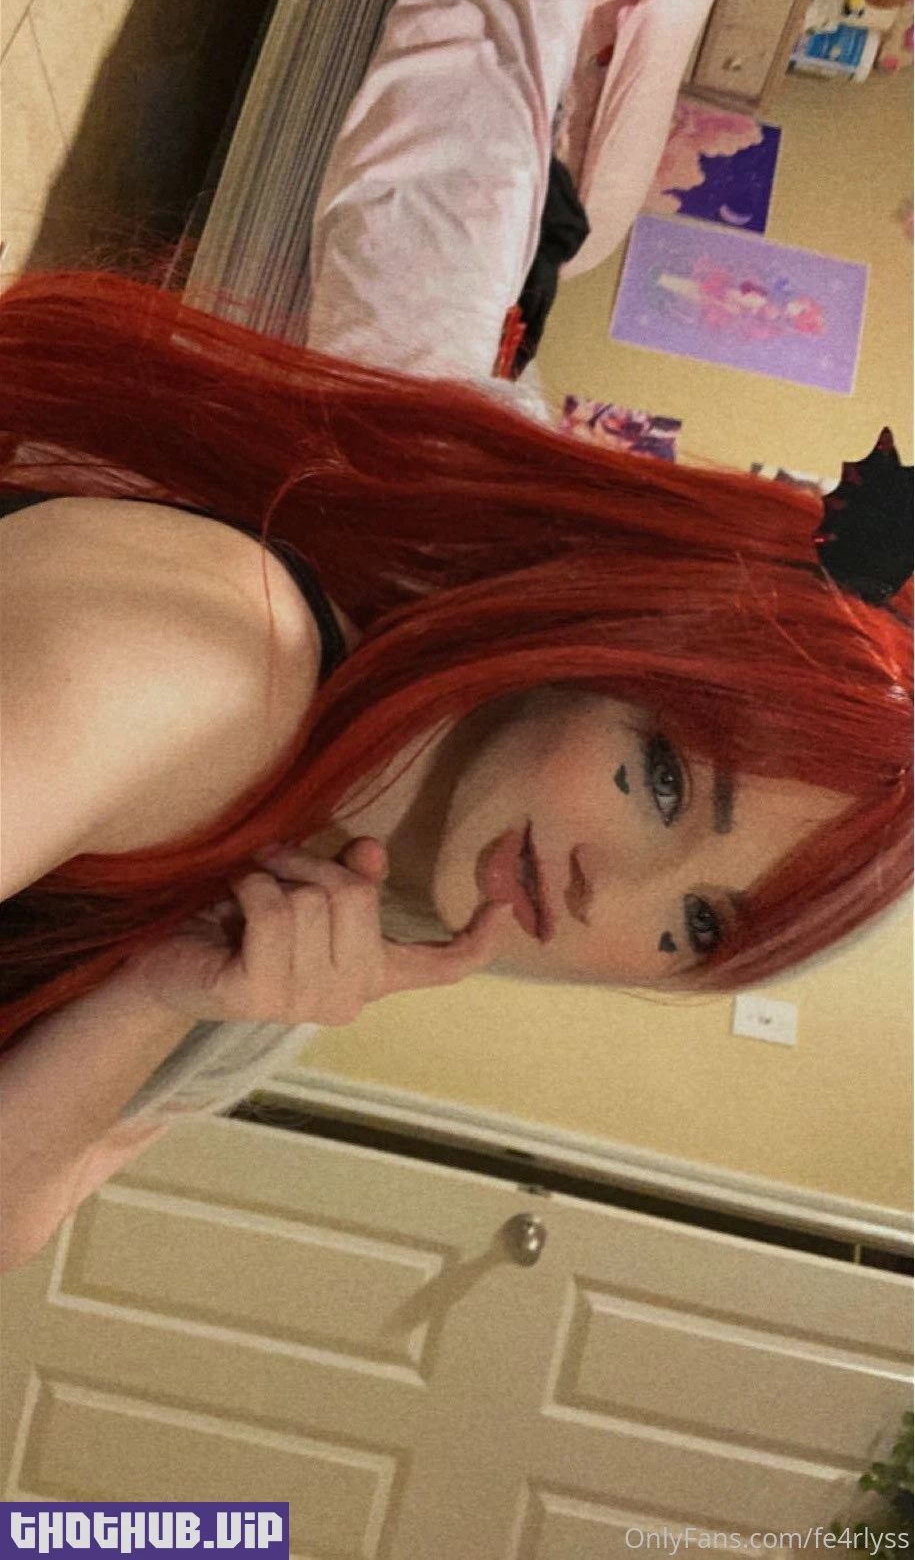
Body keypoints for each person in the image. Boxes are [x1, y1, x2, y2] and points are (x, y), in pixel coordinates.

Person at [0, 266, 911, 1272]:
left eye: (700, 922)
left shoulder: (324, 898)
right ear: (614, 633)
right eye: (666, 784)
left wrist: (152, 998)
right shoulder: (215, 675)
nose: (603, 890)